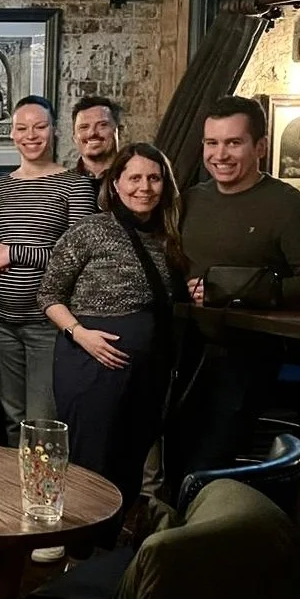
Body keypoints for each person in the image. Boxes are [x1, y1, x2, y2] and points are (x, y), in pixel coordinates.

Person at [39, 144, 184, 525]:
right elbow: (49, 295)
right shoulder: (90, 230)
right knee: (90, 460)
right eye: (134, 178)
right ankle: (71, 542)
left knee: (128, 460)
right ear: (116, 184)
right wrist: (81, 334)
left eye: (153, 178)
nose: (145, 187)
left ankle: (106, 550)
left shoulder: (169, 237)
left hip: (147, 371)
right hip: (88, 360)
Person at [174, 96, 300, 479]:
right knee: (173, 458)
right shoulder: (189, 200)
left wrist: (234, 289)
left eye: (233, 142)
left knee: (208, 466)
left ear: (261, 147)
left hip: (245, 357)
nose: (220, 154)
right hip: (183, 352)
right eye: (212, 143)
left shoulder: (288, 206)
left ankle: (207, 535)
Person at [0, 95, 97, 449]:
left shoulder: (75, 184)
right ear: (12, 134)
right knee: (12, 419)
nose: (31, 135)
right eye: (22, 128)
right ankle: (16, 498)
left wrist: (13, 253)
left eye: (40, 127)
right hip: (0, 322)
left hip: (48, 326)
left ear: (55, 131)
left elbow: (79, 256)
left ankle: (44, 500)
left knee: (44, 424)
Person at [71, 95, 122, 182]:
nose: (92, 133)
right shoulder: (61, 185)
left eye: (102, 125)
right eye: (84, 127)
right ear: (74, 137)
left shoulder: (137, 179)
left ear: (118, 131)